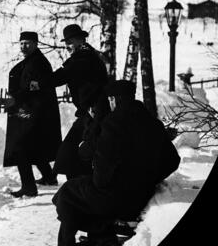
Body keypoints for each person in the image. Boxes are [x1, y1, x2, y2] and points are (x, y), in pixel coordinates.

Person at [52, 80, 181, 246]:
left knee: (67, 193)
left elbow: (101, 176)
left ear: (114, 99)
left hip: (119, 197)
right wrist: (148, 178)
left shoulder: (113, 123)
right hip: (142, 194)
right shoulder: (153, 123)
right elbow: (172, 161)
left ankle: (70, 242)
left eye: (110, 100)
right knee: (84, 193)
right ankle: (100, 237)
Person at [4, 31, 62, 197]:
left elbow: (33, 88)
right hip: (34, 111)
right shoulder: (32, 61)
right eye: (21, 43)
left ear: (36, 44)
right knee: (35, 146)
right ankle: (49, 177)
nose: (24, 46)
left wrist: (15, 99)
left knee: (21, 147)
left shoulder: (38, 63)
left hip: (34, 111)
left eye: (28, 43)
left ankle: (28, 187)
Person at [51, 24, 110, 180]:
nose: (67, 46)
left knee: (76, 152)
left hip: (94, 112)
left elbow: (61, 76)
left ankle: (83, 187)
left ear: (79, 40)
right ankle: (80, 185)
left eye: (70, 42)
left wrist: (41, 81)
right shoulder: (86, 55)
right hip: (90, 111)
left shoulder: (83, 58)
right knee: (74, 152)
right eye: (66, 43)